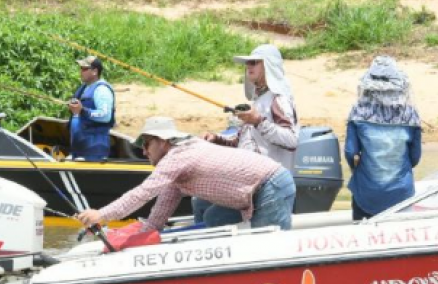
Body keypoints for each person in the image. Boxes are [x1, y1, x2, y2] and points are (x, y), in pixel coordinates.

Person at [77, 116, 295, 232]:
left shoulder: (177, 157)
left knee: (265, 243)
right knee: (212, 217)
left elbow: (142, 193)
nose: (144, 151)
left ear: (163, 142)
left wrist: (102, 214)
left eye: (146, 144)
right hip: (254, 192)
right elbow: (156, 220)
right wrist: (128, 235)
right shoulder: (175, 174)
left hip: (271, 185)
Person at [196, 44, 300, 223]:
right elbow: (242, 142)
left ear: (268, 66)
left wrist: (258, 121)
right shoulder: (258, 101)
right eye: (247, 63)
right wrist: (216, 139)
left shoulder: (279, 99)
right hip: (249, 184)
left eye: (254, 63)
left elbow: (291, 140)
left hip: (271, 184)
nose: (248, 66)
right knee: (202, 205)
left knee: (214, 217)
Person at [344, 55, 422, 220]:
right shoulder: (410, 115)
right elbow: (415, 158)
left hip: (366, 193)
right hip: (401, 193)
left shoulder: (358, 112)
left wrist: (356, 168)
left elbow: (351, 153)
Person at [67, 55, 116, 161]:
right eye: (81, 69)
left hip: (95, 147)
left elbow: (105, 115)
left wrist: (82, 111)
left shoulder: (102, 90)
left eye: (85, 69)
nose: (81, 71)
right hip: (80, 147)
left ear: (95, 71)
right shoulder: (84, 88)